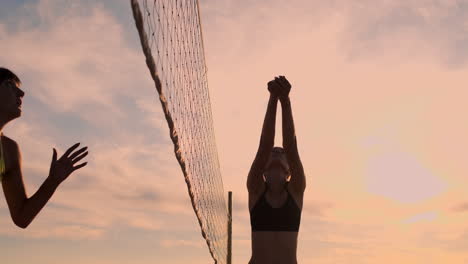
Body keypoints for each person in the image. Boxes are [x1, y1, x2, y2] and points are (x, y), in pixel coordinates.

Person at [0, 67, 88, 228]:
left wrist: (52, 181)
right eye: (9, 85)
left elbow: (22, 217)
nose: (21, 94)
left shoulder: (8, 150)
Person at [247, 76, 306, 264]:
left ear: (289, 171)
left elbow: (291, 146)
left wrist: (285, 101)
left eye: (282, 153)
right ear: (263, 169)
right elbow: (265, 145)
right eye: (274, 152)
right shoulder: (255, 189)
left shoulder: (296, 189)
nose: (277, 152)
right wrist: (273, 98)